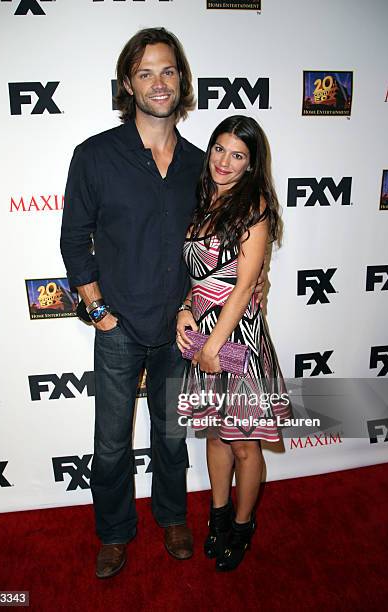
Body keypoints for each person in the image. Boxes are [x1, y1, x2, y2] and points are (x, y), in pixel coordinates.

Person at [60, 28, 265, 579]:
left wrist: (220, 301)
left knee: (172, 438)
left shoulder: (205, 166)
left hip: (183, 330)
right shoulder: (95, 155)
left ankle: (173, 517)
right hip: (118, 327)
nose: (158, 82)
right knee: (109, 445)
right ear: (129, 82)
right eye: (145, 71)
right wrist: (97, 310)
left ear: (182, 80)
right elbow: (74, 240)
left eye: (168, 70)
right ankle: (114, 532)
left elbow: (231, 243)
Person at [176, 115, 292, 571]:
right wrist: (185, 307)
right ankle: (217, 516)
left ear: (251, 163)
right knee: (215, 435)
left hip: (235, 340)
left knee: (244, 442)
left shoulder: (254, 205)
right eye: (219, 149)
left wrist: (212, 346)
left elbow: (243, 287)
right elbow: (198, 275)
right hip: (203, 331)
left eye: (237, 155)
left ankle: (242, 526)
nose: (224, 161)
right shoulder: (203, 199)